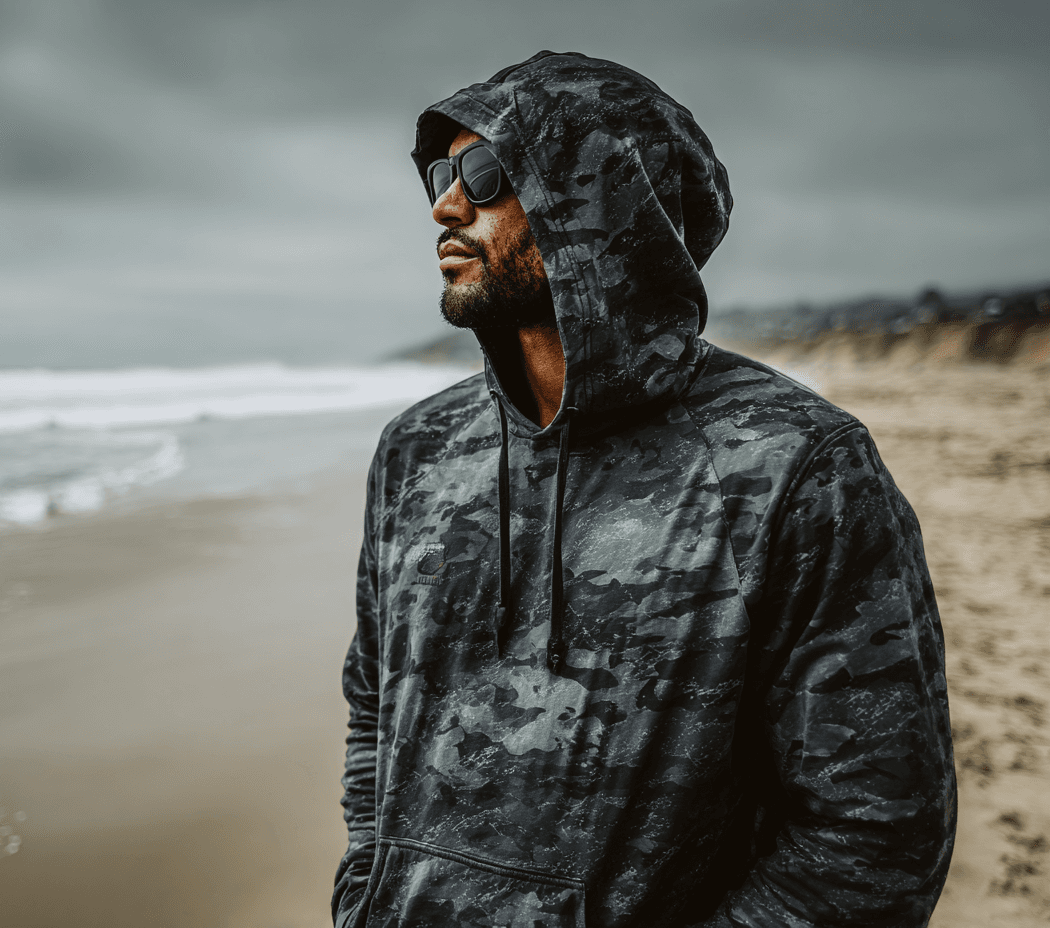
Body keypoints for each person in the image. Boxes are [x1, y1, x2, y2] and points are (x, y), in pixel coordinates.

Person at [334, 51, 956, 928]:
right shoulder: (417, 451)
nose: (445, 203)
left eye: (486, 172)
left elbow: (877, 835)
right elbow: (374, 707)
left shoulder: (795, 467)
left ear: (602, 202)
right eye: (441, 172)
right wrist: (364, 893)